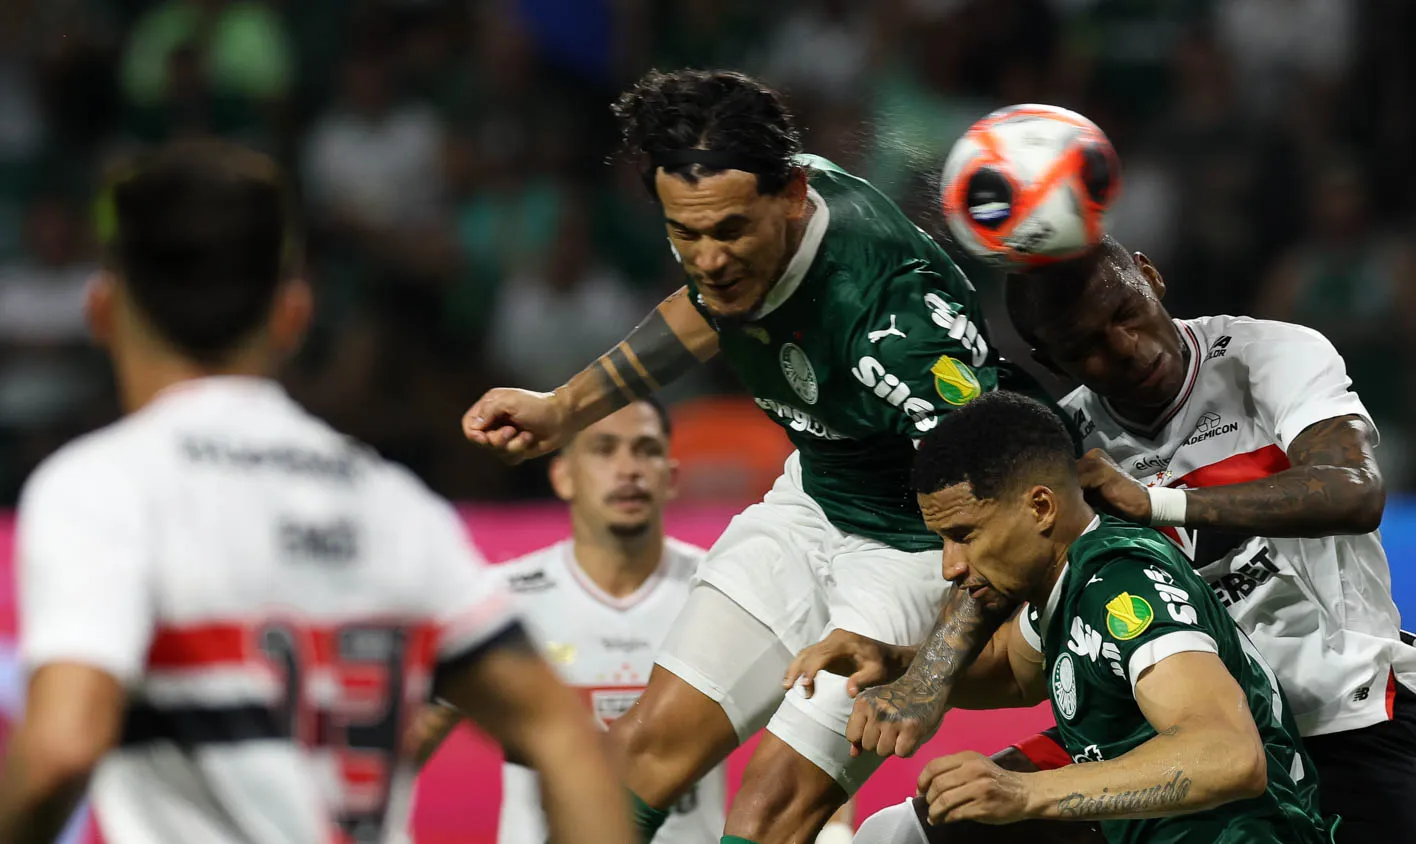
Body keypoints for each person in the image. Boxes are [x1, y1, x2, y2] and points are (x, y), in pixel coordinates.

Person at [461, 68, 1051, 844]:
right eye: (686, 234)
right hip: (813, 500)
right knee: (634, 758)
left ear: (795, 196)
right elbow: (709, 310)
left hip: (918, 550)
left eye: (728, 232)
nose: (707, 259)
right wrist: (563, 406)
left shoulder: (896, 326)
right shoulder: (731, 212)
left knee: (769, 810)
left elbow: (1006, 499)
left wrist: (931, 671)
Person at [0, 139, 631, 844]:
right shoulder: (391, 504)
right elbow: (565, 740)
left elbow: (60, 747)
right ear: (293, 313)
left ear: (102, 309)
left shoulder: (103, 489)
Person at [807, 235, 1416, 844]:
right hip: (1163, 734)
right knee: (911, 831)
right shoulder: (1060, 449)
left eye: (1127, 310)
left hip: (1343, 718)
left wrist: (1158, 503)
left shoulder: (1266, 355)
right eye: (1084, 344)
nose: (1125, 346)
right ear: (1047, 357)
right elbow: (1010, 626)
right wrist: (916, 672)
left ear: (1149, 275)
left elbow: (1355, 490)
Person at [861, 389, 1333, 842]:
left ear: (1040, 507)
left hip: (1243, 837)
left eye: (964, 534)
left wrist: (1025, 792)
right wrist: (894, 666)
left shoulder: (1120, 585)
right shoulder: (1066, 583)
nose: (951, 566)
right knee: (895, 834)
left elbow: (1229, 755)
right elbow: (1013, 674)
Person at [409, 398, 732, 844]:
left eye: (646, 449)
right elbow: (407, 740)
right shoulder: (502, 598)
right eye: (604, 449)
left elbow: (811, 717)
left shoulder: (724, 594)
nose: (628, 469)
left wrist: (832, 829)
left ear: (671, 476)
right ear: (562, 476)